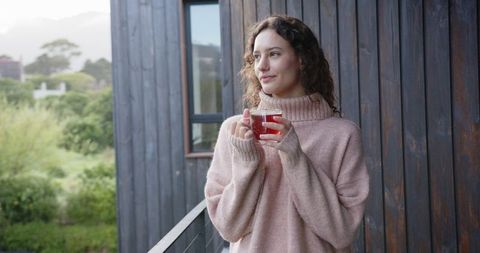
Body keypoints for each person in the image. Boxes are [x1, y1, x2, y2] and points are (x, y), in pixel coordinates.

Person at [204, 15, 369, 253]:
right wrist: (247, 161)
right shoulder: (236, 131)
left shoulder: (343, 135)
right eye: (256, 56)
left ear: (302, 59)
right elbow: (229, 229)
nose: (261, 66)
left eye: (273, 54)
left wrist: (294, 155)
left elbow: (342, 233)